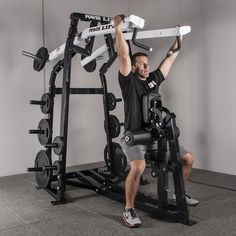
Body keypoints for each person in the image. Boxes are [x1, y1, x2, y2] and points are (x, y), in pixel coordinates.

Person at [114, 15, 199, 228]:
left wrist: (179, 37)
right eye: (141, 64)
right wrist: (117, 27)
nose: (145, 66)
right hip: (134, 138)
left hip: (154, 136)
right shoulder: (129, 82)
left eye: (146, 63)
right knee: (139, 166)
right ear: (133, 68)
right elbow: (123, 55)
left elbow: (170, 58)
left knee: (188, 158)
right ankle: (128, 210)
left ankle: (179, 195)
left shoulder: (153, 80)